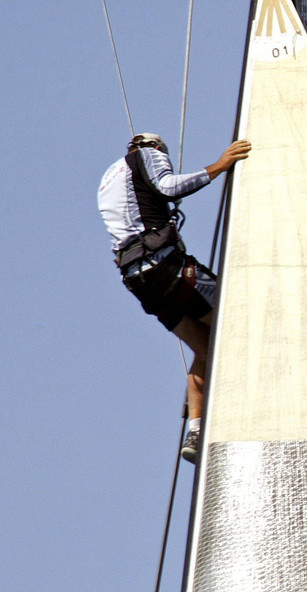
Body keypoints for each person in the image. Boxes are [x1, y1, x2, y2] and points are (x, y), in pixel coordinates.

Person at [98, 133, 251, 462]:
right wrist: (219, 166)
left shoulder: (109, 180)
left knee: (207, 349)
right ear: (155, 147)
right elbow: (167, 187)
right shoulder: (148, 154)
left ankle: (195, 430)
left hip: (140, 282)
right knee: (241, 314)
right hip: (167, 269)